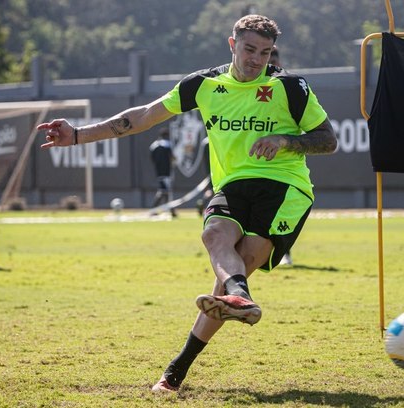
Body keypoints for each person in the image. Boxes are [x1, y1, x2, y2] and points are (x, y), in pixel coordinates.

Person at [38, 14, 337, 392]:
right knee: (214, 234)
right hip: (233, 184)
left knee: (237, 266)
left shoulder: (291, 87)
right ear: (232, 45)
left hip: (285, 187)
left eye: (264, 52)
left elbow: (328, 140)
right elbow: (144, 116)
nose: (257, 59)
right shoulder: (203, 85)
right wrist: (78, 135)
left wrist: (283, 141)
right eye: (249, 50)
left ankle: (177, 369)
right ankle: (239, 300)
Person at [268, 47, 293, 266]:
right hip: (255, 168)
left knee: (283, 217)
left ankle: (286, 252)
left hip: (284, 168)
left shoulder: (289, 85)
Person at [149, 127, 177, 217]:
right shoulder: (167, 144)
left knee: (164, 190)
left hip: (159, 171)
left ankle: (169, 210)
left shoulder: (154, 145)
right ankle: (156, 209)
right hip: (167, 171)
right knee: (164, 191)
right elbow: (172, 157)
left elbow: (152, 159)